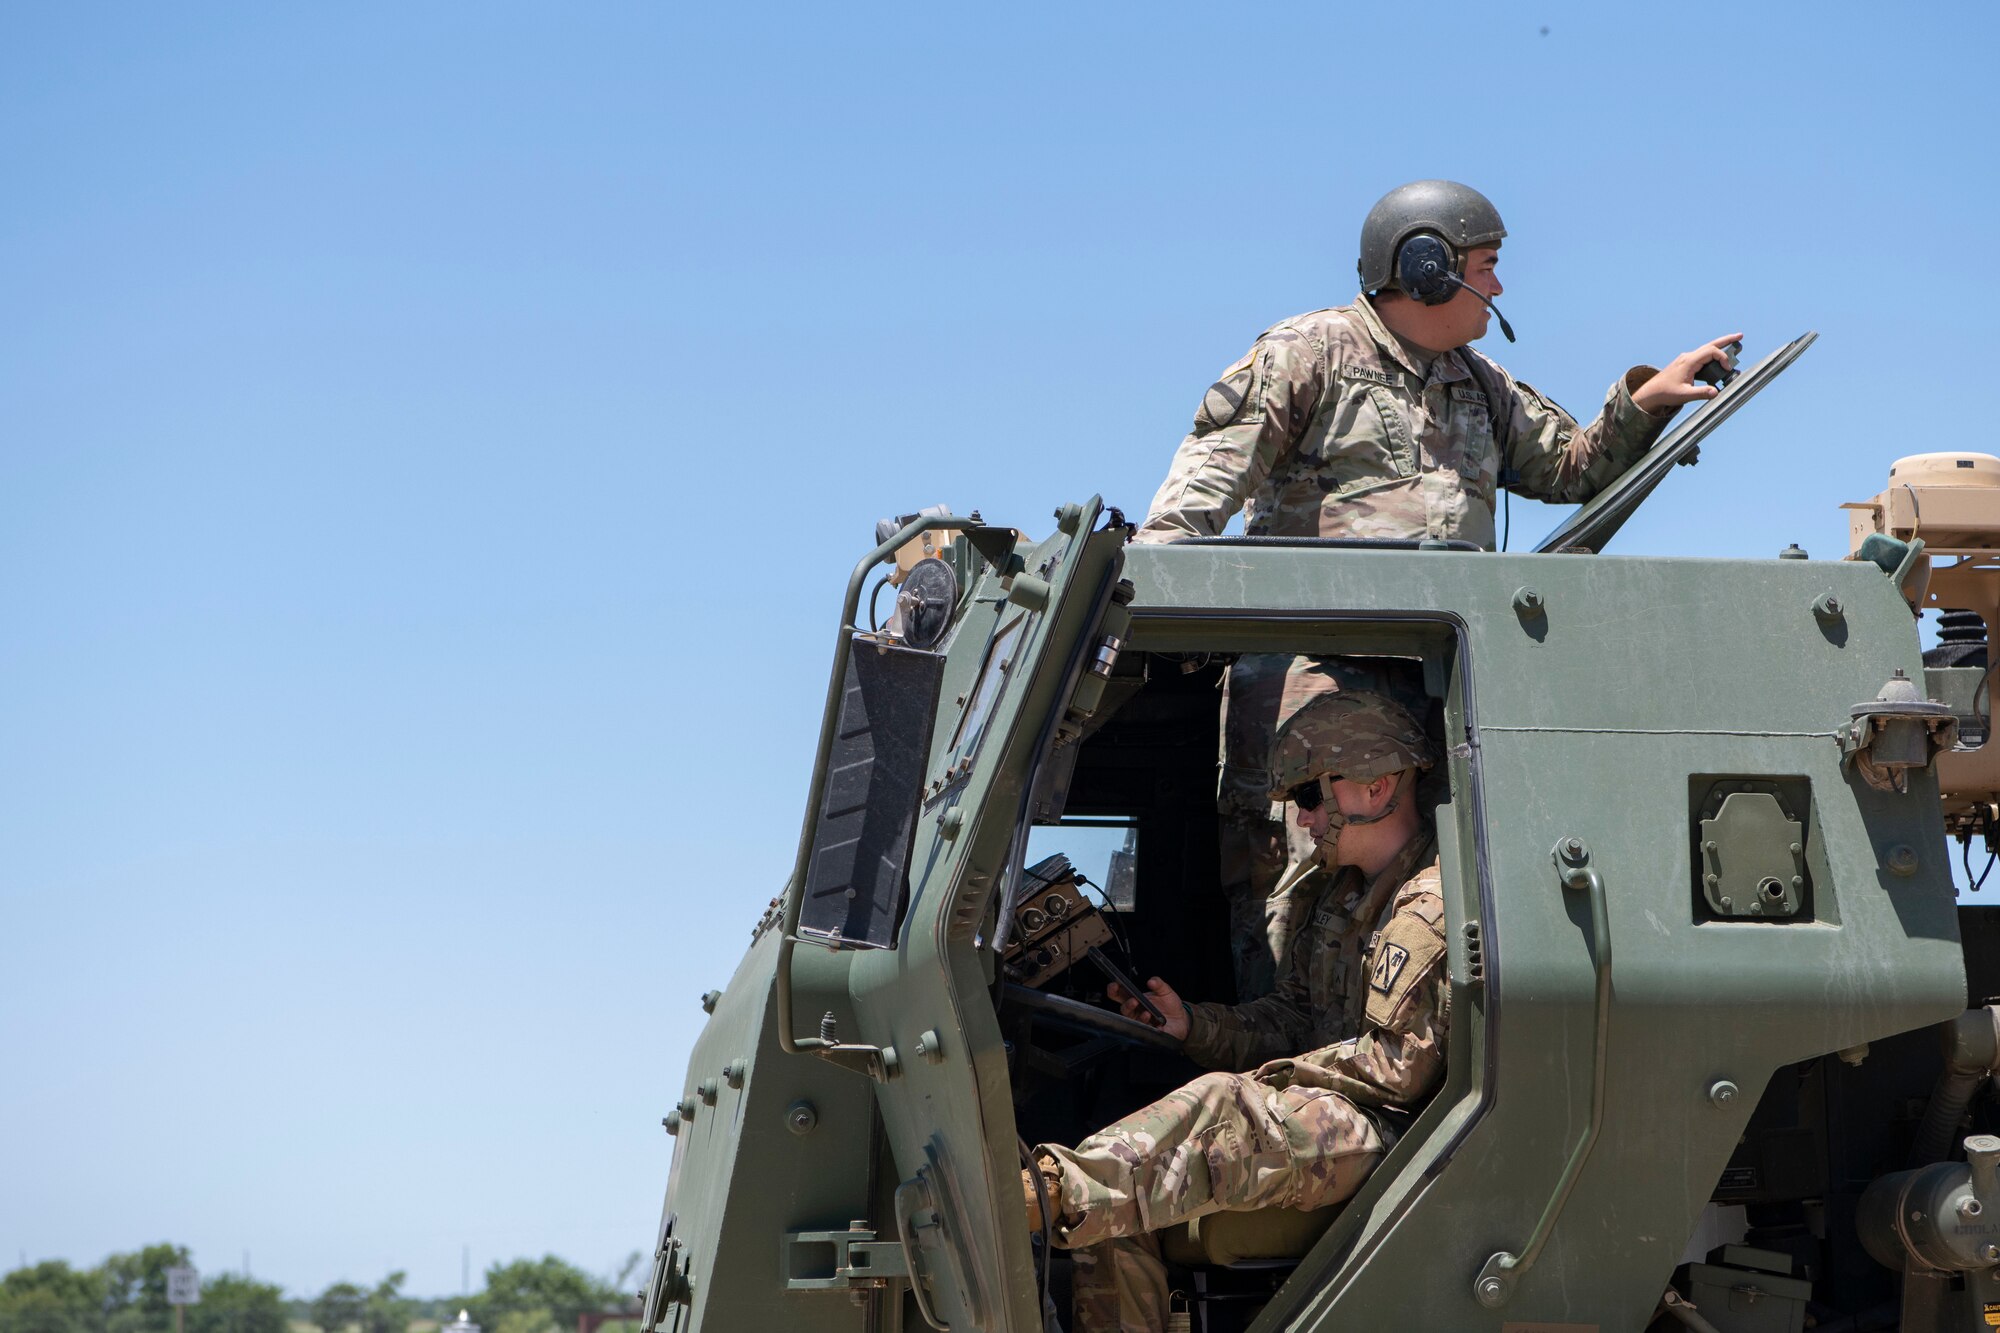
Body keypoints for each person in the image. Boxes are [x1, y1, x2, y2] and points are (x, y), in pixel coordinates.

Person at [1133, 178, 1740, 1002]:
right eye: (1487, 266)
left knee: (1426, 931)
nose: (1498, 286)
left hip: (1434, 701)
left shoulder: (1480, 384)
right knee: (1291, 933)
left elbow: (1570, 467)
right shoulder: (1308, 353)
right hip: (1312, 705)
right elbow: (1198, 495)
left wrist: (1644, 403)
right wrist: (1153, 600)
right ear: (1427, 268)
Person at [1024, 690, 1449, 1333]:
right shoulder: (1340, 903)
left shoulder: (1429, 905)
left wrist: (1272, 1081)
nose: (1303, 821)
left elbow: (1397, 1073)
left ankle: (1039, 1191)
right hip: (1328, 1118)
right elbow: (1290, 1019)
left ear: (1376, 785)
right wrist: (1191, 1024)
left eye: (1309, 797)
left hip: (1392, 1133)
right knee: (1113, 1212)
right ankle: (1067, 1193)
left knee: (1227, 1102)